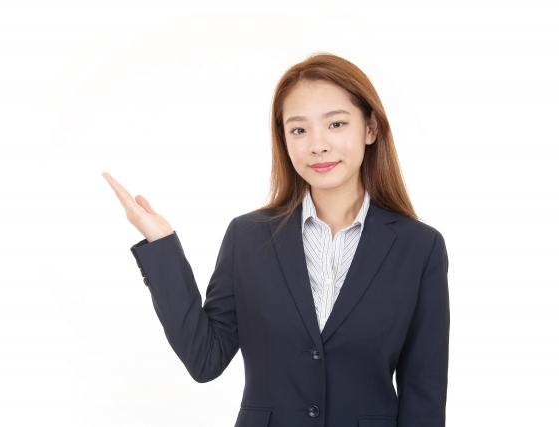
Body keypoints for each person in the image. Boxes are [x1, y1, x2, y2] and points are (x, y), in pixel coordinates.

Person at [103, 52, 450, 427]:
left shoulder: (420, 248)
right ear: (283, 139)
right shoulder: (248, 237)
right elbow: (204, 360)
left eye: (336, 124)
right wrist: (161, 243)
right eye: (299, 130)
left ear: (370, 128)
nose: (318, 145)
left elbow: (423, 397)